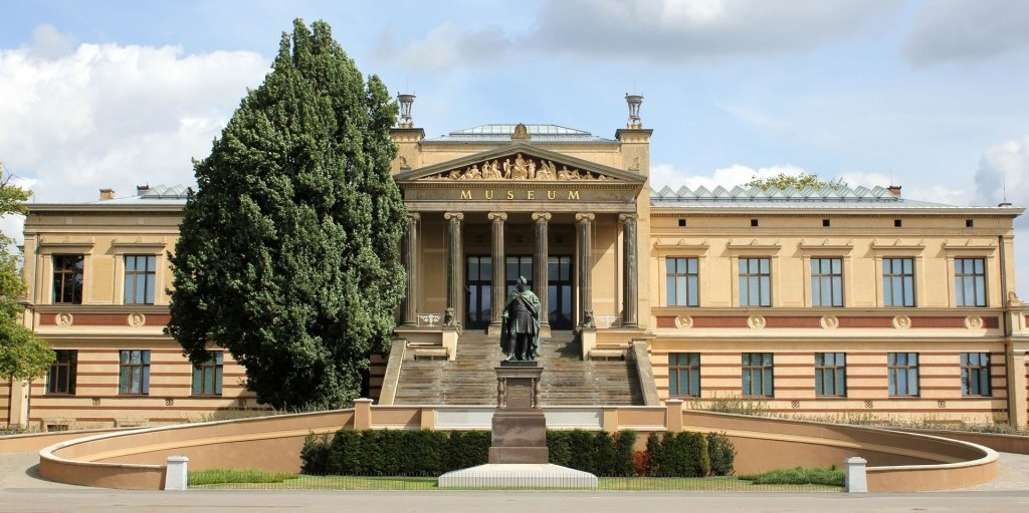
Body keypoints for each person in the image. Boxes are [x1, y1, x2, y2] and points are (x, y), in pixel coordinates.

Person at [500, 276, 541, 361]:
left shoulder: (530, 294)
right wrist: (506, 314)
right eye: (517, 283)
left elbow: (537, 305)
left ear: (523, 284)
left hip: (526, 316)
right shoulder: (513, 294)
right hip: (515, 317)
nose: (516, 285)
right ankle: (511, 354)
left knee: (525, 336)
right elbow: (508, 307)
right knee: (512, 334)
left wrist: (532, 310)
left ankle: (523, 355)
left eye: (518, 283)